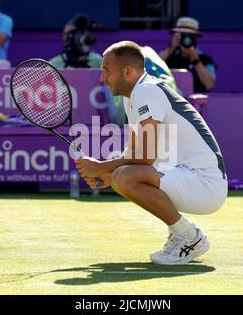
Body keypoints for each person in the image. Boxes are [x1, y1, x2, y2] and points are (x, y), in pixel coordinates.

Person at [75, 41, 228, 265]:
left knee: (124, 177)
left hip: (206, 185)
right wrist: (109, 174)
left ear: (127, 71)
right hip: (189, 176)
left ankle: (190, 238)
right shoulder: (134, 95)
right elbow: (135, 150)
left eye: (106, 71)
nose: (102, 78)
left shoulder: (146, 91)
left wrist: (101, 166)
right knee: (121, 177)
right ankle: (182, 235)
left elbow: (145, 156)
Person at [159, 17, 216, 93]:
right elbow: (151, 69)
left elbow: (209, 85)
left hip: (195, 103)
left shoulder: (205, 60)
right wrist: (171, 48)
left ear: (195, 37)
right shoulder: (167, 57)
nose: (185, 38)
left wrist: (194, 57)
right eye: (182, 34)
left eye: (189, 35)